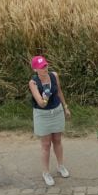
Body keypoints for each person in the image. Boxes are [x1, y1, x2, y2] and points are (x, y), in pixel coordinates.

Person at [28, 55, 71, 186]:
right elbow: (41, 104)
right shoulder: (33, 83)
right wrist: (44, 97)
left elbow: (59, 92)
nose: (45, 69)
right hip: (42, 115)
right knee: (46, 144)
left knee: (57, 140)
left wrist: (65, 107)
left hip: (57, 111)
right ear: (35, 69)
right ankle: (46, 172)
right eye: (41, 67)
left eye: (45, 65)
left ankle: (60, 166)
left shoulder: (54, 75)